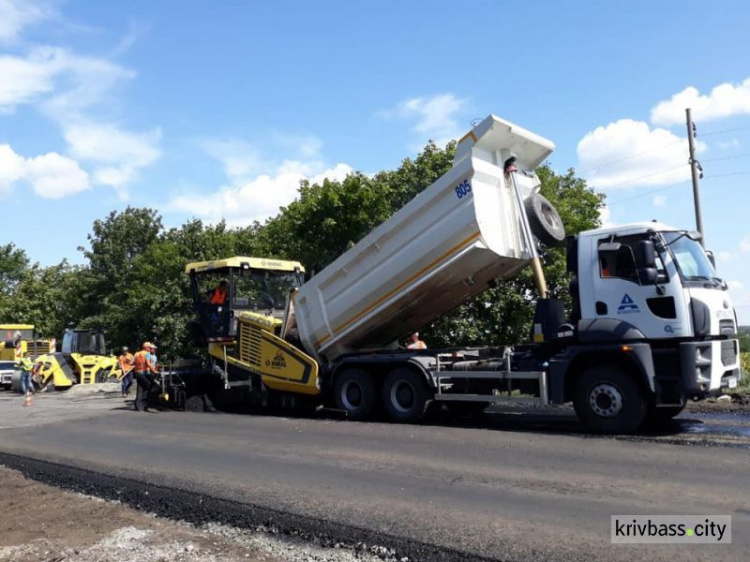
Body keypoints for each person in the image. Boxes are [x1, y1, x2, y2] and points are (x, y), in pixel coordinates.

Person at [133, 342, 158, 412]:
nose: (150, 349)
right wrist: (154, 371)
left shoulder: (136, 354)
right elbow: (148, 363)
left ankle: (138, 406)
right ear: (146, 347)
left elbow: (131, 362)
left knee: (140, 389)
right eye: (150, 347)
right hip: (144, 373)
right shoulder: (147, 354)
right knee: (148, 386)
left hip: (137, 373)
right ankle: (144, 405)